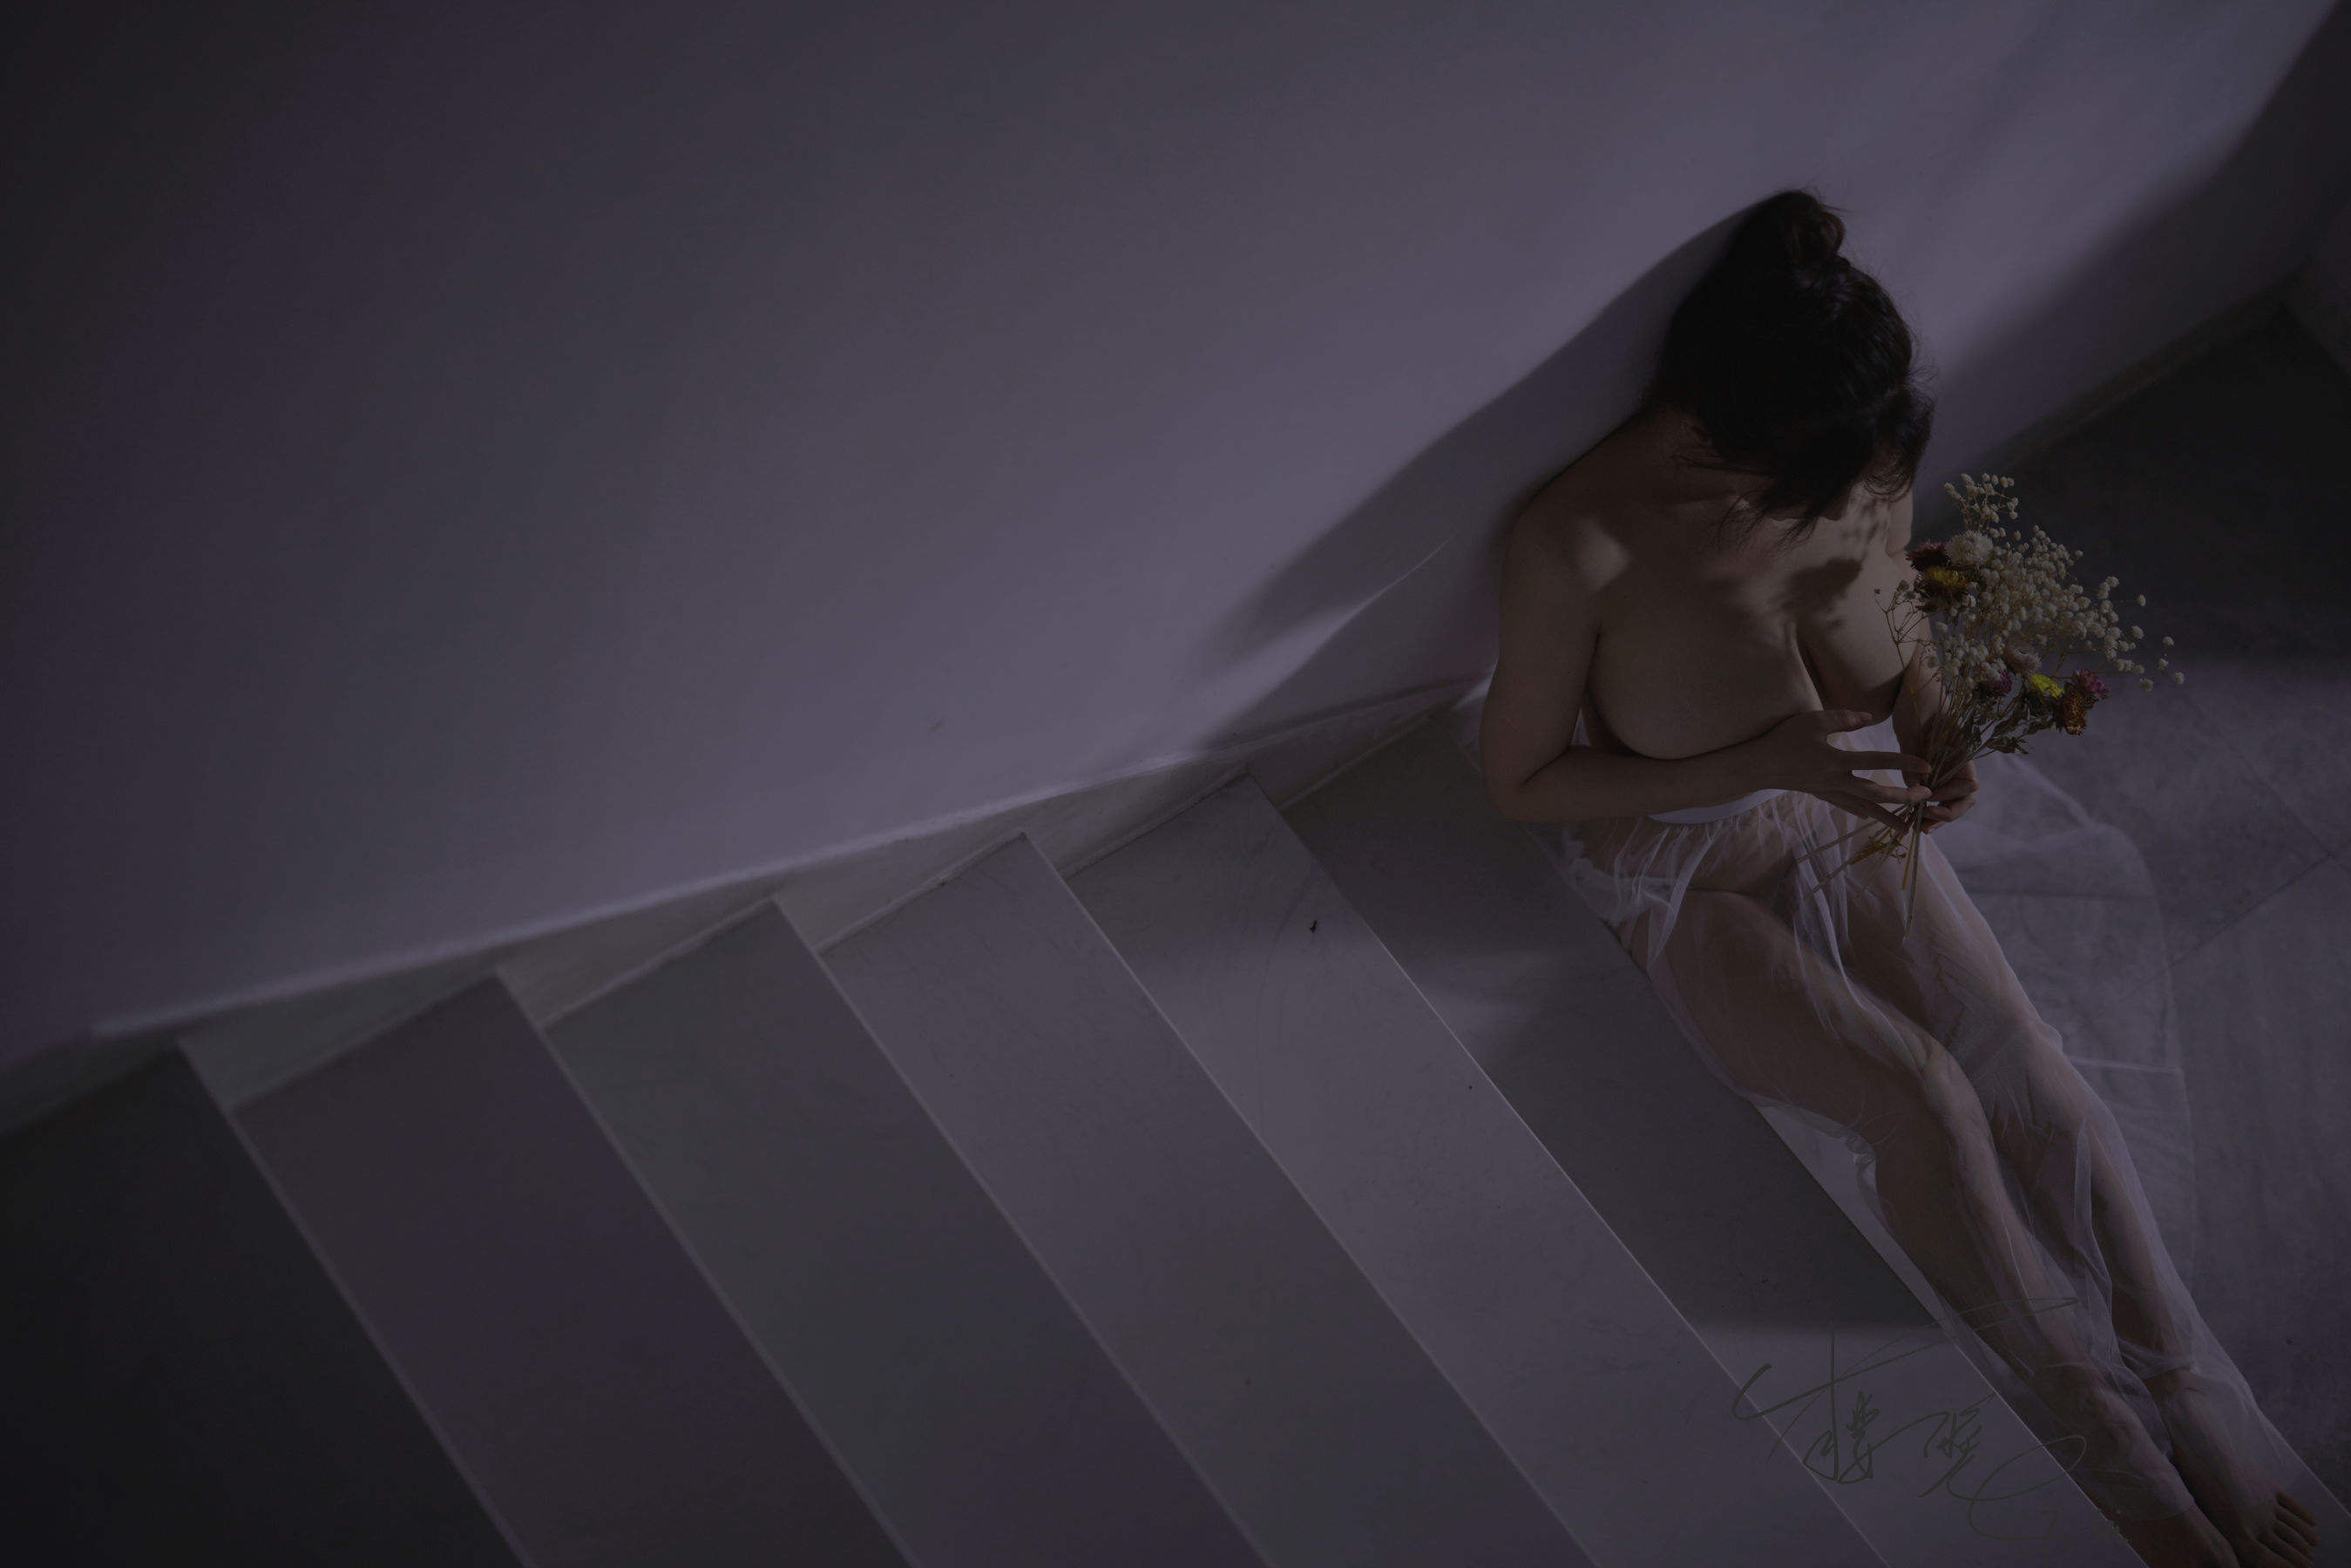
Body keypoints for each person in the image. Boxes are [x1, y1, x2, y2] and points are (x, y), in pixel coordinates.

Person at [1478, 189, 2318, 1568]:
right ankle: (2113, 1452)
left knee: (2024, 1067)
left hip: (1837, 815)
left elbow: (1894, 617)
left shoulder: (1851, 458)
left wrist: (1926, 720)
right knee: (1922, 1096)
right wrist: (1762, 757)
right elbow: (1519, 781)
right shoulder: (1584, 539)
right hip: (1688, 873)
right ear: (1713, 431)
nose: (1853, 503)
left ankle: (2183, 1393)